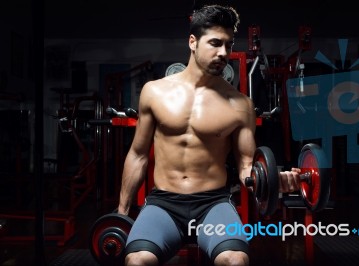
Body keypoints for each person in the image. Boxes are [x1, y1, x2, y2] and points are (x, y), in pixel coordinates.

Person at [118, 4, 301, 266]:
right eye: (215, 43)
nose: (223, 52)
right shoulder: (154, 92)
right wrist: (122, 214)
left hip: (213, 203)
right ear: (192, 42)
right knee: (137, 261)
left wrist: (271, 180)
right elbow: (137, 155)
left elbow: (246, 166)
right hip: (163, 203)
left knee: (236, 260)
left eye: (228, 44)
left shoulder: (240, 105)